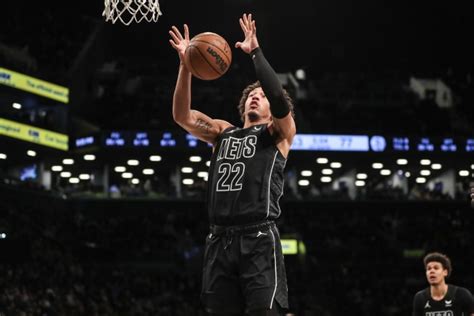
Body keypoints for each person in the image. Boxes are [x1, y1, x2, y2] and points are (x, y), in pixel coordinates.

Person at [169, 13, 296, 316]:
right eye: (252, 94)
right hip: (219, 239)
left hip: (258, 237)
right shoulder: (222, 132)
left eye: (261, 96)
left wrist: (255, 52)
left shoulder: (278, 133)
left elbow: (278, 96)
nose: (256, 97)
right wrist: (185, 66)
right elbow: (182, 116)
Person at [412, 252, 474, 316]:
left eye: (436, 268)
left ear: (445, 272)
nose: (431, 271)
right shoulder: (420, 298)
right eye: (428, 269)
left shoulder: (461, 294)